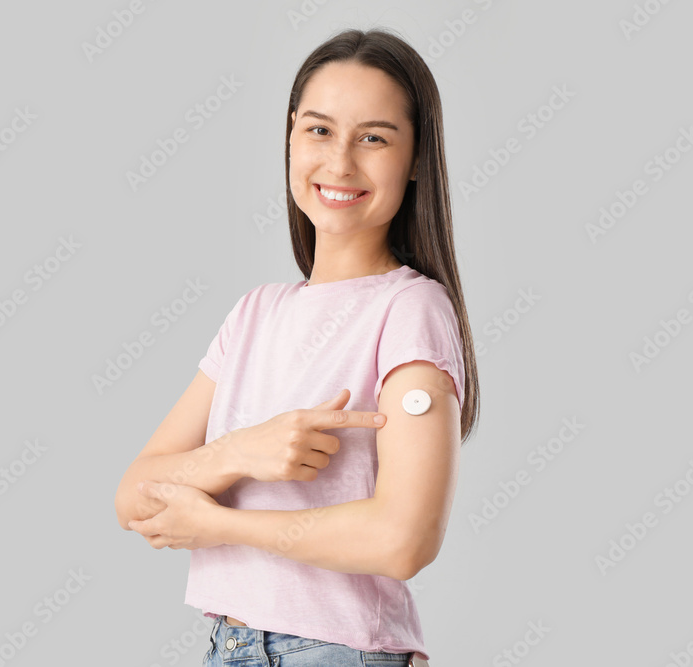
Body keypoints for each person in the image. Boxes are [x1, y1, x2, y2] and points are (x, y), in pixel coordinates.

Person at [115, 26, 480, 666]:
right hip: (231, 648)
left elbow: (404, 540)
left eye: (373, 137)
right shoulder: (254, 313)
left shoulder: (410, 309)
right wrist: (242, 451)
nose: (340, 163)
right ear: (289, 135)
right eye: (318, 130)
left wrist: (221, 525)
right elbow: (134, 495)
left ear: (417, 157)